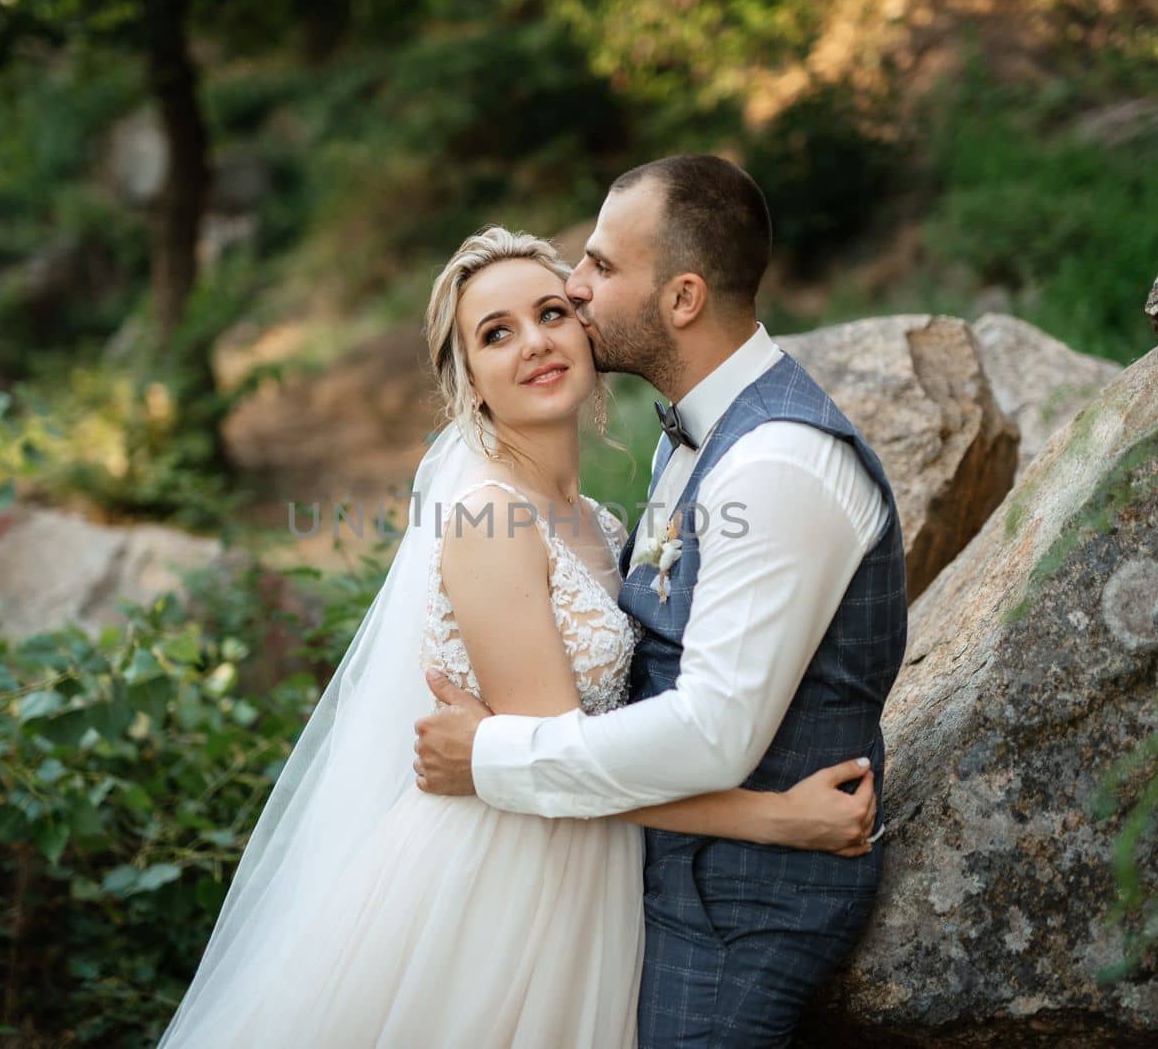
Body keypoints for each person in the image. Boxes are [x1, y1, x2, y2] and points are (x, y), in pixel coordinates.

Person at [156, 225, 879, 1048]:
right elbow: (565, 762)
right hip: (501, 886)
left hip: (587, 874)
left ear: (585, 328)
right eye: (496, 334)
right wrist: (777, 819)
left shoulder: (596, 525)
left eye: (550, 313)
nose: (534, 343)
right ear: (469, 381)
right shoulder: (487, 517)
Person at [414, 155, 909, 1047]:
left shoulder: (775, 463)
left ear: (681, 299)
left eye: (600, 268)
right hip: (642, 878)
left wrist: (490, 756)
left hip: (743, 907)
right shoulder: (689, 444)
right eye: (495, 332)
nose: (575, 285)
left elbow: (713, 729)